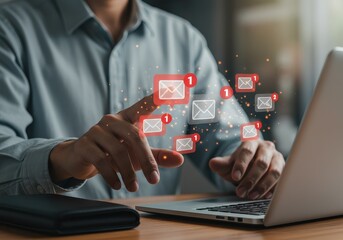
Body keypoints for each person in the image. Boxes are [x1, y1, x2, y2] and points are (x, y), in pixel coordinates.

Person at [0, 0, 285, 200]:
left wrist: (252, 164)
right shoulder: (9, 28)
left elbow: (230, 141)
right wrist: (65, 158)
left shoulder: (183, 39)